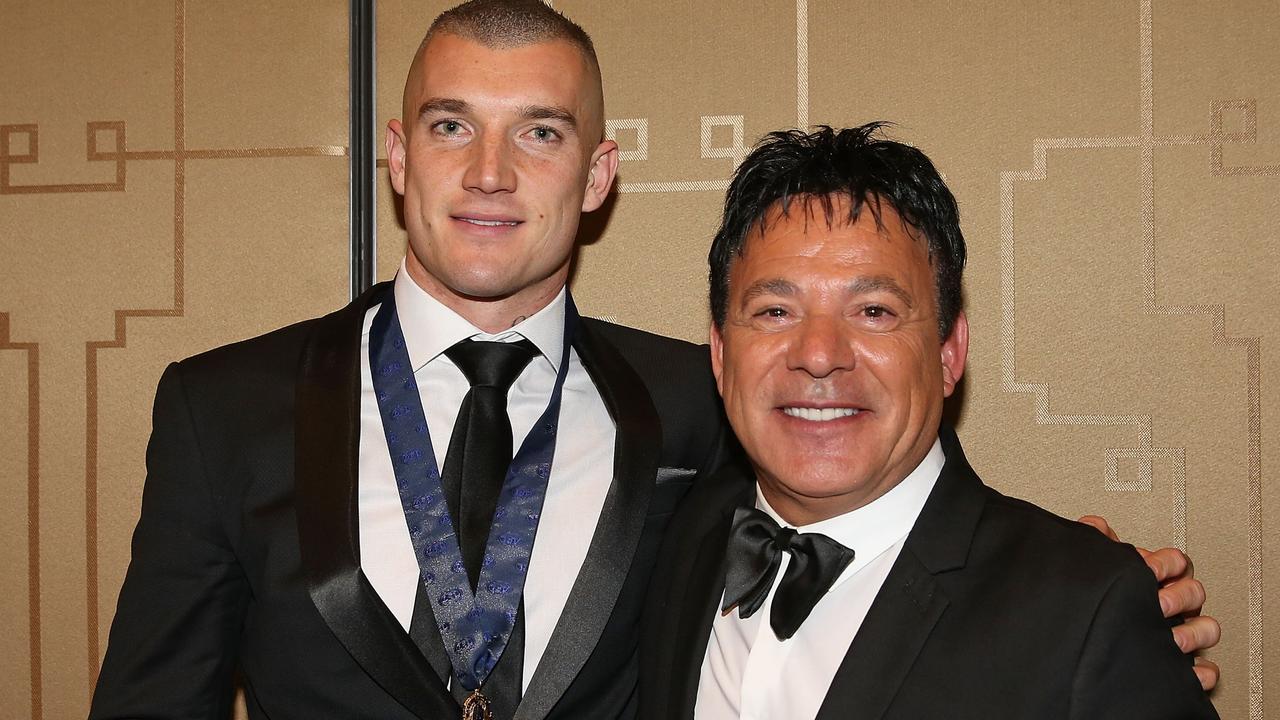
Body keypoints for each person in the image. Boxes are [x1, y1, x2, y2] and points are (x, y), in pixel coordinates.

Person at [90, 2, 1215, 719]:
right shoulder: (218, 410)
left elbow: (881, 504)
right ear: (396, 156)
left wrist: (1088, 600)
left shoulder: (699, 397)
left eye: (537, 131)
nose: (489, 172)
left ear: (597, 174)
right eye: (448, 126)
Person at [638, 123, 1220, 719]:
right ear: (719, 351)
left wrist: (1094, 599)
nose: (818, 353)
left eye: (873, 311)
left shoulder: (1083, 608)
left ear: (949, 352)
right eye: (775, 310)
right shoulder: (669, 540)